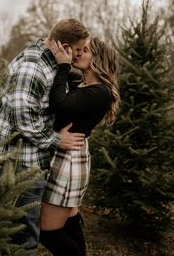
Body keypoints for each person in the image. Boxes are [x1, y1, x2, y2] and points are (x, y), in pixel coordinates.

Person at [0, 18, 90, 254]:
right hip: (19, 163)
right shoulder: (32, 66)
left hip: (32, 159)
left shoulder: (52, 62)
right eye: (77, 49)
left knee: (27, 229)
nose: (78, 56)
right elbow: (23, 119)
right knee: (24, 237)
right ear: (64, 46)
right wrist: (58, 140)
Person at [39, 36, 120, 256]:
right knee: (70, 220)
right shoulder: (82, 83)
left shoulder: (99, 92)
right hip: (66, 153)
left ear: (98, 59)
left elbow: (59, 104)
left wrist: (64, 65)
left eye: (85, 50)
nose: (78, 53)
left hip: (70, 159)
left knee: (47, 232)